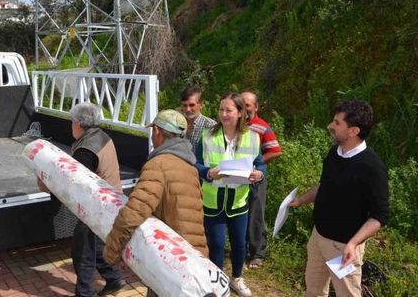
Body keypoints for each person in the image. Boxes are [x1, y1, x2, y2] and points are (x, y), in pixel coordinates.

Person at [102, 110, 208, 297]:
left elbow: (134, 212)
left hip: (172, 260)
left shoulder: (158, 164)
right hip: (195, 255)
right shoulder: (189, 166)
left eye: (153, 131)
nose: (152, 136)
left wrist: (111, 251)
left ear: (158, 132)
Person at [289, 99, 389, 297]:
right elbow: (324, 186)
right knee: (314, 291)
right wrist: (301, 200)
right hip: (318, 238)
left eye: (337, 123)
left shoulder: (372, 168)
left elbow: (380, 216)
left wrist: (353, 243)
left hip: (343, 249)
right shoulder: (334, 153)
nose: (330, 126)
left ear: (354, 131)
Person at [38, 103, 126, 297]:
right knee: (96, 244)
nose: (71, 125)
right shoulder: (102, 136)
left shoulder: (85, 149)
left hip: (96, 205)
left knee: (82, 251)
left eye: (72, 122)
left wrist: (48, 185)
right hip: (111, 199)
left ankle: (85, 293)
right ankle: (113, 277)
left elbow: (76, 184)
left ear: (78, 123)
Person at [195, 92, 264, 297]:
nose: (223, 114)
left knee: (239, 243)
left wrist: (259, 173)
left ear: (240, 112)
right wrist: (208, 172)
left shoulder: (253, 138)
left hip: (238, 202)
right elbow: (196, 163)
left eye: (228, 110)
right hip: (213, 200)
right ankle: (218, 281)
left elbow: (260, 164)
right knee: (216, 243)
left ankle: (236, 277)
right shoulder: (207, 136)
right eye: (221, 110)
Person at [241, 91, 282, 269]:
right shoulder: (233, 124)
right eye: (240, 104)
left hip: (256, 178)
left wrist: (256, 164)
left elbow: (275, 150)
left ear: (256, 107)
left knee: (256, 215)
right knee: (238, 213)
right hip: (236, 177)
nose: (244, 109)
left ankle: (257, 254)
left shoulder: (261, 127)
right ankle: (240, 250)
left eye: (247, 105)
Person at [180, 86, 217, 152]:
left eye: (192, 105)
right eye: (184, 105)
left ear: (201, 105)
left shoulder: (210, 126)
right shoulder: (176, 124)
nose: (188, 109)